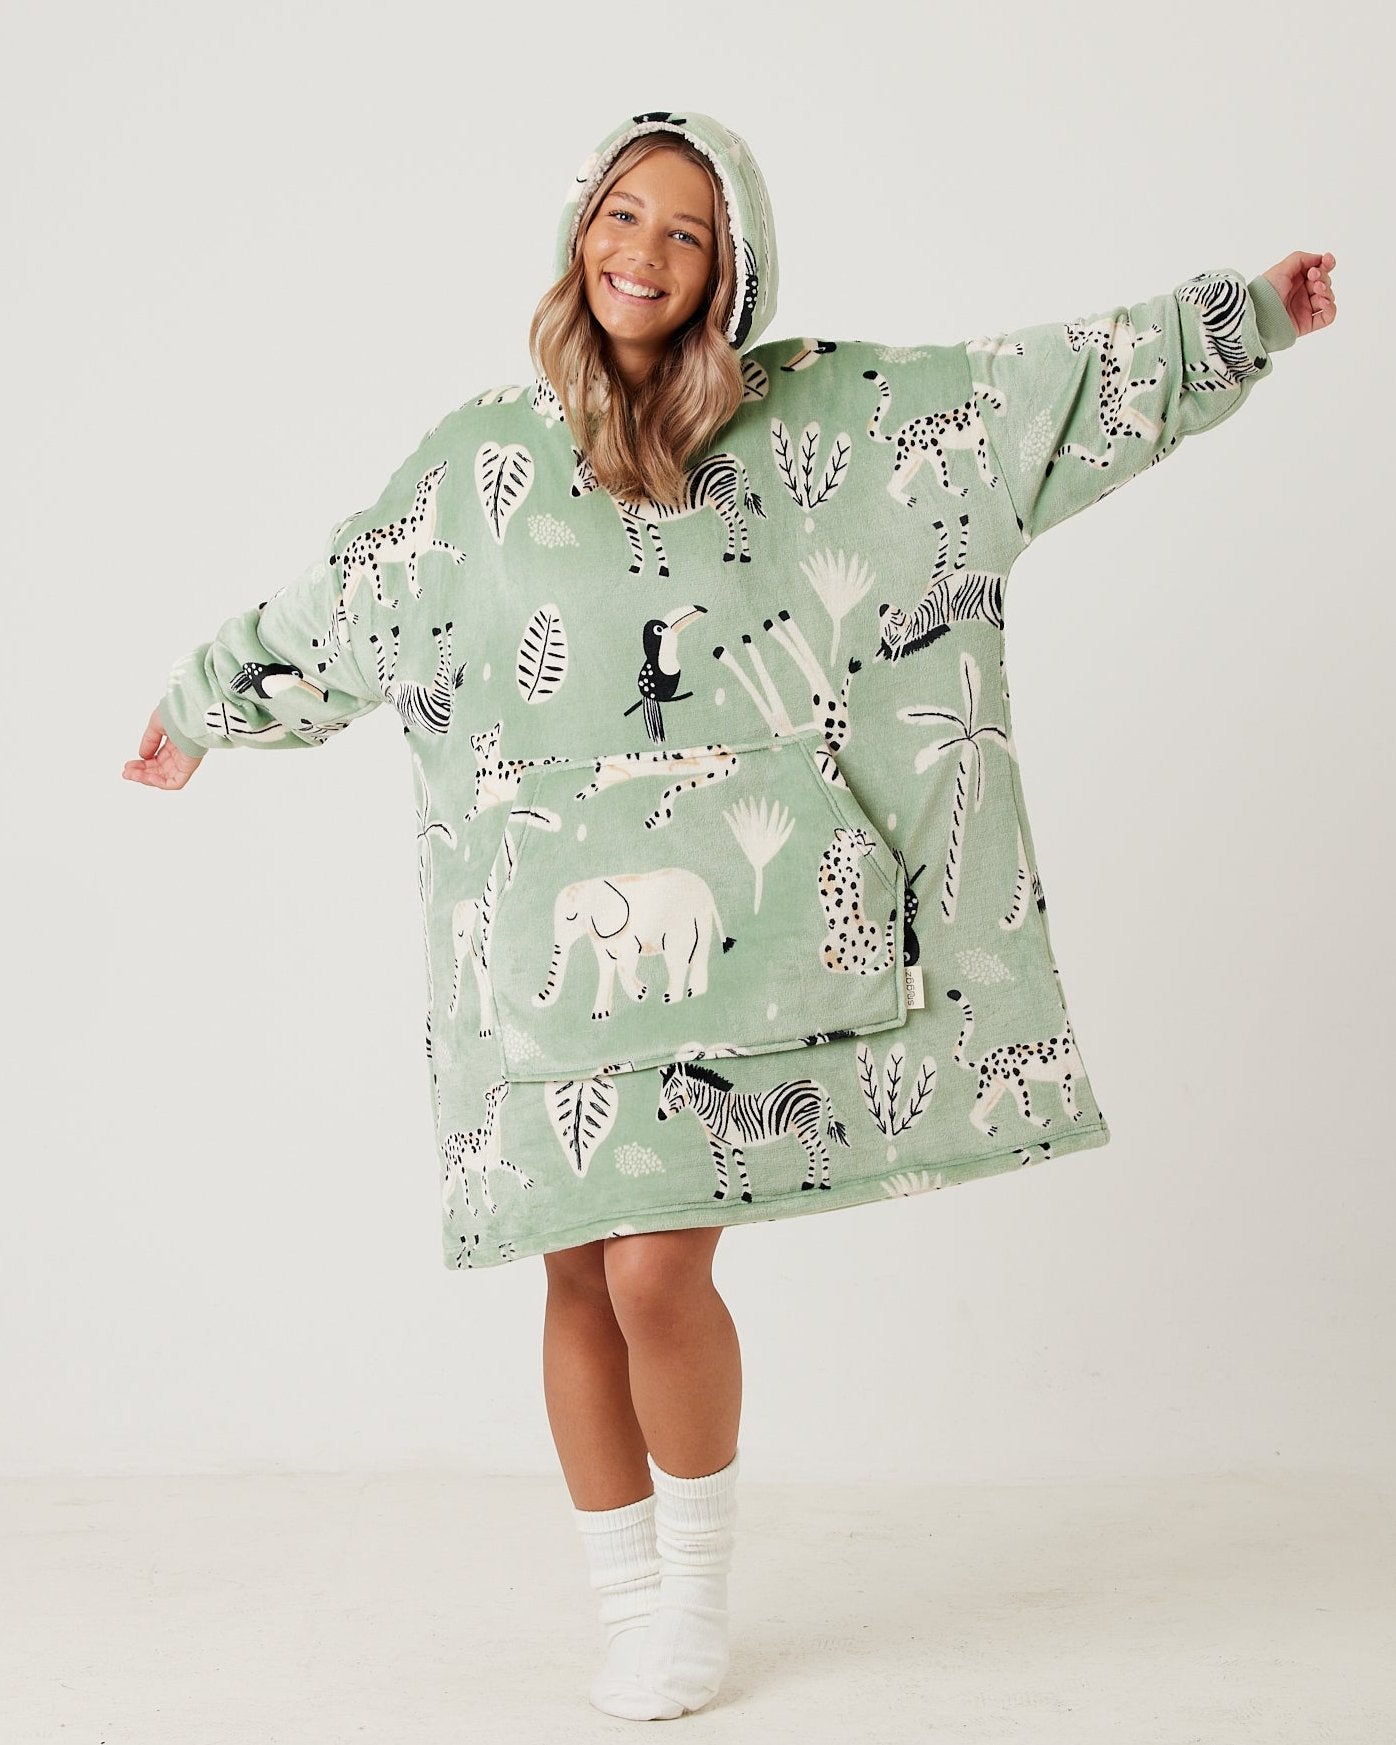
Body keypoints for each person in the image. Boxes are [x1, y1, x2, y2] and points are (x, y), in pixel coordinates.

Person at [123, 108, 1336, 1722]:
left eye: (685, 231)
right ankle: (625, 1601)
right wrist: (200, 710)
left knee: (651, 1274)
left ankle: (690, 1592)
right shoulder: (481, 462)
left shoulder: (820, 416)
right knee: (574, 1275)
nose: (643, 250)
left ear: (728, 271)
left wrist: (1238, 319)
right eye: (623, 213)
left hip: (732, 950)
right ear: (580, 230)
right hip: (545, 951)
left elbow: (1019, 404)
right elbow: (345, 601)